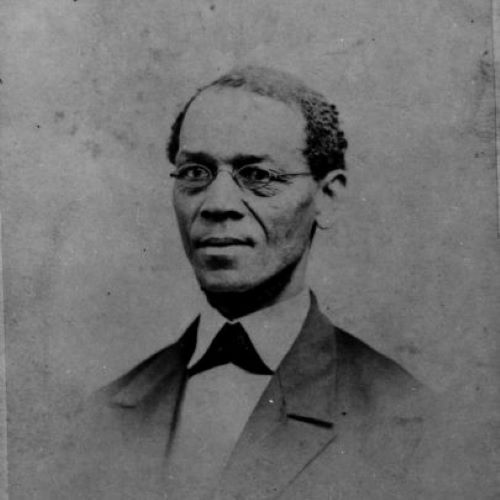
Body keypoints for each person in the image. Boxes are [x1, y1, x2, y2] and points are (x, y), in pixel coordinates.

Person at [49, 66, 433, 500]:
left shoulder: (406, 418)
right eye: (195, 172)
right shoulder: (102, 415)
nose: (218, 204)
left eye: (257, 175)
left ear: (327, 197)